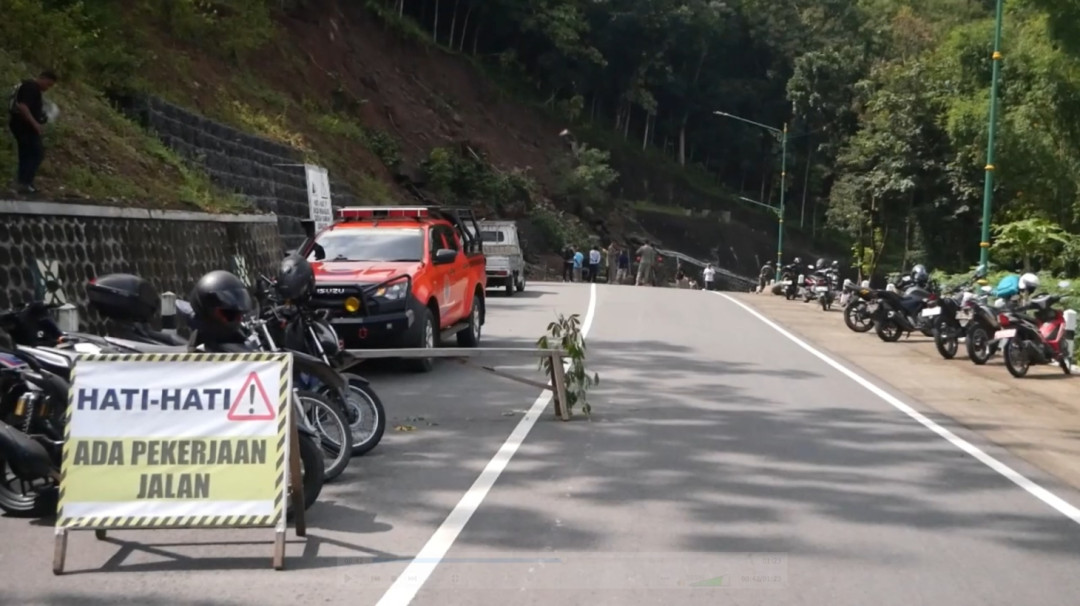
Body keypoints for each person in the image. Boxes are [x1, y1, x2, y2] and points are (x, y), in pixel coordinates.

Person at [8, 70, 58, 194]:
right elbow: (23, 107)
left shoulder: (30, 87)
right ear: (42, 78)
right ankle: (25, 182)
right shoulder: (31, 87)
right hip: (24, 126)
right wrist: (35, 123)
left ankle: (22, 182)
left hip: (22, 125)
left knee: (26, 153)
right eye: (48, 84)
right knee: (36, 153)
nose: (47, 88)